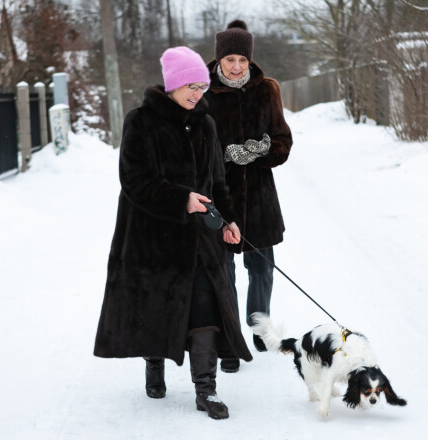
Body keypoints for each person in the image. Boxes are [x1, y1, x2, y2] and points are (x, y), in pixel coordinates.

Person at [93, 46, 252, 420]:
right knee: (155, 307)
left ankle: (206, 390)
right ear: (173, 84)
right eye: (191, 86)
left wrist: (228, 219)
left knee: (204, 305)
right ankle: (154, 363)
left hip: (198, 237)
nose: (198, 93)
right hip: (150, 235)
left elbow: (217, 179)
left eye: (203, 86)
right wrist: (180, 199)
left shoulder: (205, 124)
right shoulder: (141, 121)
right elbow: (133, 180)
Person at [204, 20, 293, 373]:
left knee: (261, 268)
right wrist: (225, 154)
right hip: (220, 196)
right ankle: (230, 337)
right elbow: (194, 143)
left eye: (242, 59)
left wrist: (259, 152)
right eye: (230, 60)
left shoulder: (266, 90)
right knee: (223, 269)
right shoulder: (205, 93)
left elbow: (283, 142)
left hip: (258, 197)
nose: (237, 66)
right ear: (219, 60)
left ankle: (258, 327)